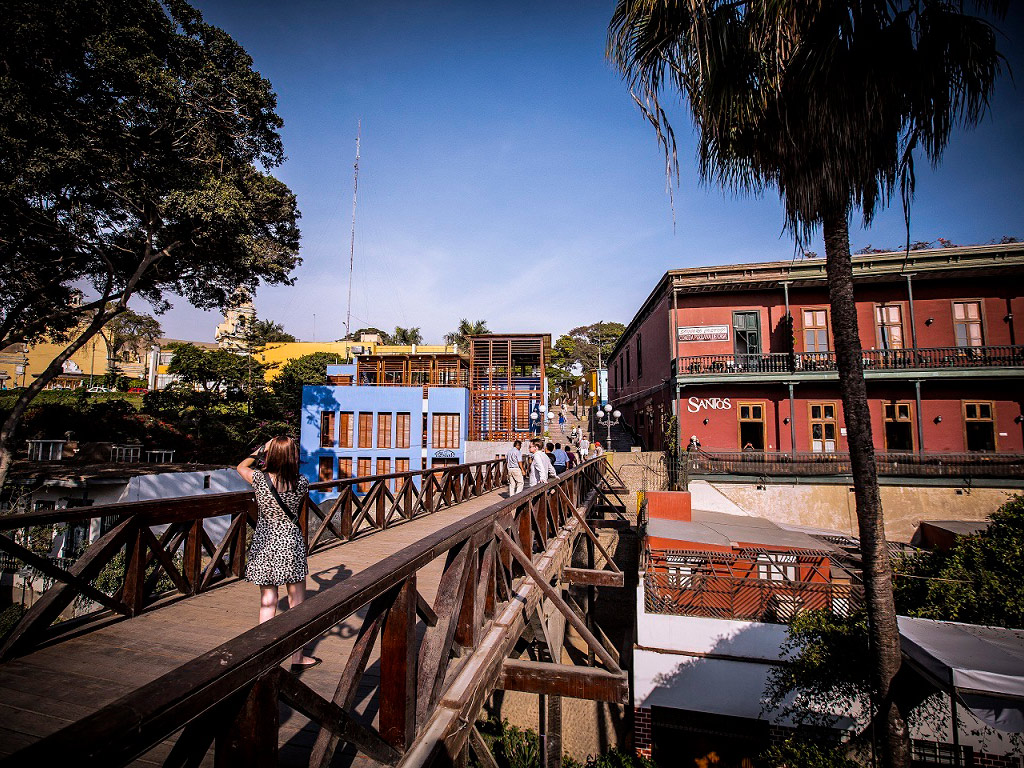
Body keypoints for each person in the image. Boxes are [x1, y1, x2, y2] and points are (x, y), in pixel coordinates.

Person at [236, 436, 320, 671]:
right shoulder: (300, 482)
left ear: (271, 455)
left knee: (268, 602)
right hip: (289, 542)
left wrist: (261, 449)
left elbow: (241, 467)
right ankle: (297, 657)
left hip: (265, 541)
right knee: (297, 603)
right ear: (293, 456)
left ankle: (265, 657)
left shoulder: (258, 479)